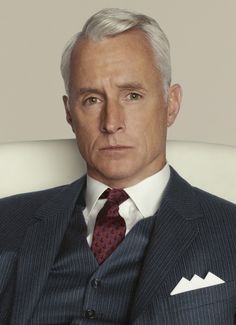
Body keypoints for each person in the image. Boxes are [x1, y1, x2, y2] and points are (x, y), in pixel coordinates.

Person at [0, 8, 235, 325]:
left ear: (172, 105)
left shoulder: (229, 231)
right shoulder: (6, 221)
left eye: (133, 95)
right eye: (92, 100)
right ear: (70, 113)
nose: (112, 123)